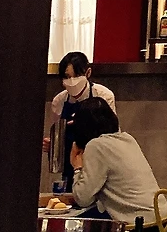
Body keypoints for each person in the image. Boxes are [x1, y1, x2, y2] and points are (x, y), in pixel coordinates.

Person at [67, 98, 162, 232]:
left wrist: (77, 167)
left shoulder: (96, 146)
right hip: (164, 225)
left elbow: (83, 199)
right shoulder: (127, 138)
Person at [45, 52, 116, 188]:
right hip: (71, 165)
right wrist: (52, 144)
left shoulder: (103, 96)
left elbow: (112, 136)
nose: (72, 81)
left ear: (88, 73)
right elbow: (59, 134)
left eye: (76, 76)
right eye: (67, 77)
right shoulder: (59, 101)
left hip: (99, 164)